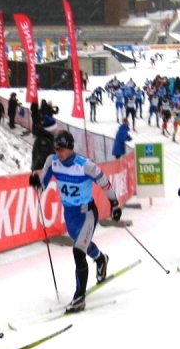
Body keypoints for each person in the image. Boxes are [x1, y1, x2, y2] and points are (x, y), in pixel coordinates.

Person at [29, 130, 121, 314]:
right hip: (70, 214)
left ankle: (79, 297)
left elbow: (104, 183)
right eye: (56, 148)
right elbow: (43, 184)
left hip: (87, 213)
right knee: (83, 245)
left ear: (70, 148)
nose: (58, 152)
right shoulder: (52, 162)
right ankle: (101, 258)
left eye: (61, 149)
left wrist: (115, 204)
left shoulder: (86, 166)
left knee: (78, 250)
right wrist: (36, 183)